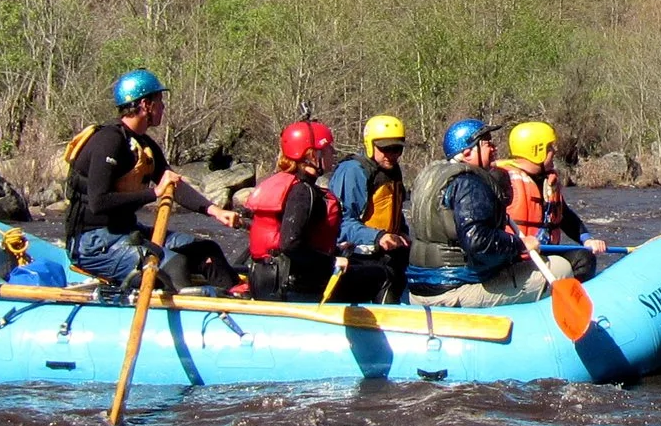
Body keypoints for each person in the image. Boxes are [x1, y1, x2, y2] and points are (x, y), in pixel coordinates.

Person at [63, 70, 243, 291]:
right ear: (145, 104)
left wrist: (215, 211)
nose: (163, 107)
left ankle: (237, 303)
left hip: (127, 231)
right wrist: (154, 193)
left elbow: (173, 185)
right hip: (92, 244)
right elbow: (98, 202)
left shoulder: (145, 144)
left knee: (207, 250)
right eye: (160, 101)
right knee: (175, 265)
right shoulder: (108, 141)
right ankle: (190, 312)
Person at [404, 117, 565, 306]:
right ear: (467, 152)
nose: (495, 148)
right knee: (561, 268)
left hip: (418, 291)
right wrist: (520, 244)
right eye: (488, 143)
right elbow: (478, 242)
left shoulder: (430, 176)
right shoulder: (469, 183)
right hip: (453, 291)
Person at [244, 120, 342, 301]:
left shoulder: (291, 184)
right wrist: (331, 261)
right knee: (379, 275)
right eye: (328, 149)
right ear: (313, 155)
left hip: (267, 277)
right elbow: (289, 244)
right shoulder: (302, 192)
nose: (333, 153)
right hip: (291, 285)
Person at [499, 120, 609, 280]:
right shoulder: (501, 179)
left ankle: (570, 298)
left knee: (584, 258)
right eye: (550, 147)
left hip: (543, 251)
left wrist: (587, 240)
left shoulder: (547, 181)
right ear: (536, 151)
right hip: (515, 256)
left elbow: (565, 217)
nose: (555, 151)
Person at [326, 113, 410, 303]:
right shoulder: (353, 171)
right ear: (370, 145)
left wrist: (402, 232)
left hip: (386, 258)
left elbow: (393, 212)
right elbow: (341, 224)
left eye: (397, 149)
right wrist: (378, 237)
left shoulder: (392, 170)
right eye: (386, 149)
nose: (392, 154)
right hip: (357, 258)